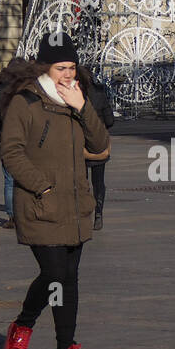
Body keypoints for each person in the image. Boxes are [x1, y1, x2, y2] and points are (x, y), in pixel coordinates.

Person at [0, 33, 109, 349]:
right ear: (45, 66)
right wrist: (42, 187)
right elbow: (11, 152)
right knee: (54, 273)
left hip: (75, 206)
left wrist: (82, 107)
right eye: (61, 67)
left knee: (68, 279)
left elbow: (101, 142)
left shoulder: (77, 98)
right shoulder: (26, 102)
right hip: (40, 205)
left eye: (72, 67)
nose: (68, 74)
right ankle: (23, 324)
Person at [0, 58, 37, 228]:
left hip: (7, 141)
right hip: (28, 140)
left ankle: (12, 217)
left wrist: (0, 136)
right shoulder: (28, 89)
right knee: (28, 175)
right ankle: (28, 213)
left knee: (9, 180)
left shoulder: (0, 91)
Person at [78, 66, 113, 230]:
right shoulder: (100, 94)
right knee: (98, 182)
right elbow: (110, 120)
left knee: (81, 181)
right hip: (98, 142)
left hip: (81, 143)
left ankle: (83, 213)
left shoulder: (77, 96)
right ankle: (99, 214)